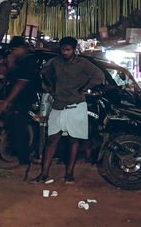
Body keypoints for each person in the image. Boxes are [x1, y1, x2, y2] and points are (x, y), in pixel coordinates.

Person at [32, 36, 104, 183]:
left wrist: (84, 88)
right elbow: (43, 73)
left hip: (76, 106)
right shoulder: (55, 62)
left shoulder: (83, 63)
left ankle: (69, 174)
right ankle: (44, 174)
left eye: (68, 49)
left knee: (74, 141)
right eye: (63, 49)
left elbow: (99, 76)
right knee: (52, 140)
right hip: (58, 105)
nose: (65, 52)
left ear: (74, 49)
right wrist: (49, 87)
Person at [0, 38, 38, 165]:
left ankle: (24, 158)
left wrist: (8, 100)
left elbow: (20, 84)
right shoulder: (18, 60)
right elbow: (7, 75)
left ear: (22, 48)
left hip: (25, 99)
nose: (13, 52)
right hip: (16, 99)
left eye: (15, 50)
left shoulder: (30, 61)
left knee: (20, 126)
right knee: (13, 125)